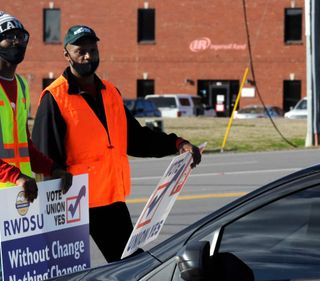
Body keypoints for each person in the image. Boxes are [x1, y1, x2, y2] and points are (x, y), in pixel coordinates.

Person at [32, 25, 202, 263]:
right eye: (80, 50)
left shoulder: (110, 93)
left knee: (130, 265)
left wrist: (176, 143)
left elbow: (136, 139)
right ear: (66, 54)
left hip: (110, 201)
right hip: (71, 203)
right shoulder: (55, 97)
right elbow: (44, 155)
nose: (88, 56)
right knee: (64, 274)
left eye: (93, 50)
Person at [0, 11, 72, 202]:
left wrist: (53, 169)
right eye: (8, 37)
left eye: (21, 37)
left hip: (17, 198)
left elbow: (26, 147)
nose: (17, 42)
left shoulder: (22, 86)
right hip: (13, 186)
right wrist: (16, 176)